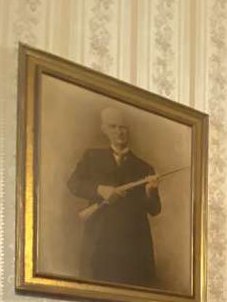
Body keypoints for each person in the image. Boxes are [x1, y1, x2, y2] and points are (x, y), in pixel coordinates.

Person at [67, 106, 162, 288]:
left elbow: (155, 210)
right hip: (100, 242)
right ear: (104, 129)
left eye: (123, 127)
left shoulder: (144, 167)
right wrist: (100, 189)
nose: (119, 132)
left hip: (134, 246)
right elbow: (73, 184)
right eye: (113, 126)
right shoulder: (92, 157)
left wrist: (151, 190)